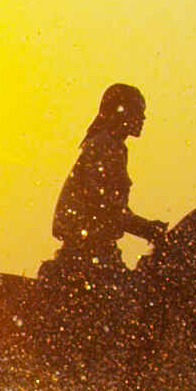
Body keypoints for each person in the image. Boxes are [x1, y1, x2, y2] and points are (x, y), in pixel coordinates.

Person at [45, 83, 168, 282]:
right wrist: (147, 229)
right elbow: (107, 209)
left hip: (96, 252)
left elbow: (112, 210)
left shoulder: (113, 147)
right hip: (87, 256)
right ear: (121, 112)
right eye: (138, 111)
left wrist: (146, 228)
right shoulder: (104, 147)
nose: (143, 118)